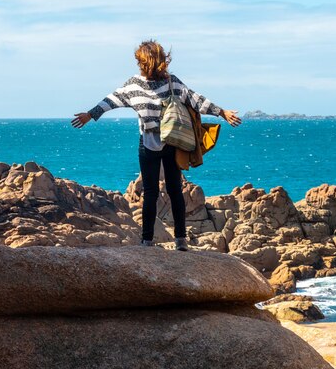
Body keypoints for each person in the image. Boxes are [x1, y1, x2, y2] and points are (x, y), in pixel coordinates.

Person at [71, 39, 242, 250]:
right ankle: (147, 240)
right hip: (148, 143)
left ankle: (180, 240)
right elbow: (111, 100)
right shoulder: (132, 85)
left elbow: (195, 99)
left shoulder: (172, 82)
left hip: (172, 141)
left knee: (174, 190)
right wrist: (90, 114)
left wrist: (222, 112)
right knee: (150, 192)